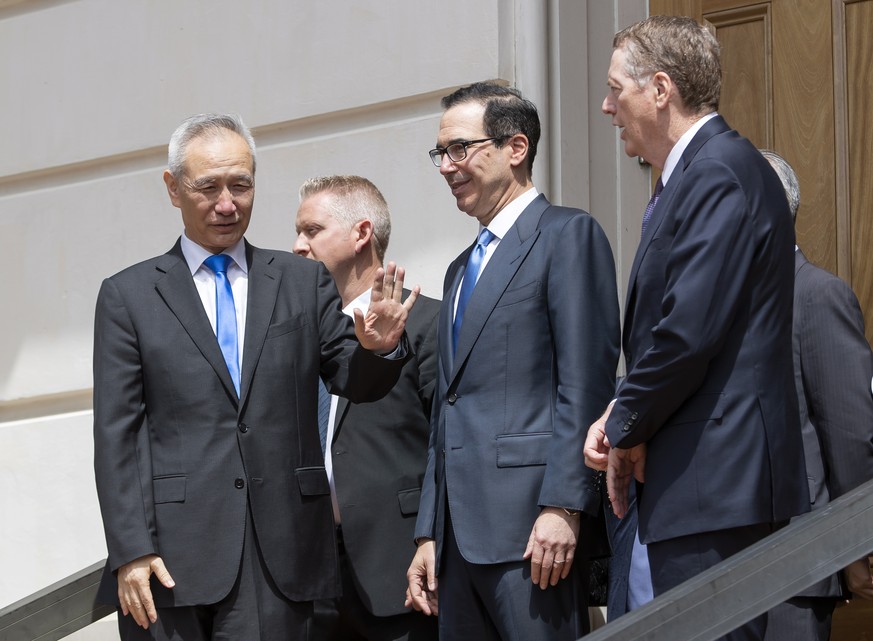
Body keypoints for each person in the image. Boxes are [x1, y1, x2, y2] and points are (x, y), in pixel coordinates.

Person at [93, 113, 418, 640]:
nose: (228, 203)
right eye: (209, 187)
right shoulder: (129, 296)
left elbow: (353, 380)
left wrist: (380, 351)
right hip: (168, 563)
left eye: (241, 185)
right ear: (173, 189)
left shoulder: (301, 281)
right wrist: (131, 549)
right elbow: (117, 436)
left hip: (280, 559)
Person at [584, 16, 809, 640]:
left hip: (715, 481)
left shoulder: (718, 171)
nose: (606, 107)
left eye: (614, 89)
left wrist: (621, 423)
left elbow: (686, 332)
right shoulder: (692, 174)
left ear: (660, 89)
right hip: (694, 482)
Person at [405, 81, 621, 640]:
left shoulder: (567, 236)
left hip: (533, 532)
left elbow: (586, 385)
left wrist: (565, 505)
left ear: (515, 148)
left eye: (460, 149)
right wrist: (429, 531)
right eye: (440, 154)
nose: (447, 166)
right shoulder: (458, 271)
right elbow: (444, 414)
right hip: (458, 541)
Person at [293, 175, 440, 641]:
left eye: (312, 231)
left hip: (401, 571)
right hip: (313, 581)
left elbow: (450, 442)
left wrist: (433, 536)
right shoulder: (296, 337)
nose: (297, 246)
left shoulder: (428, 325)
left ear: (360, 234)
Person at [759, 150, 873, 640]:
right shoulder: (724, 304)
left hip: (798, 566)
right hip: (726, 568)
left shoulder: (817, 295)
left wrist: (855, 544)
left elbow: (851, 435)